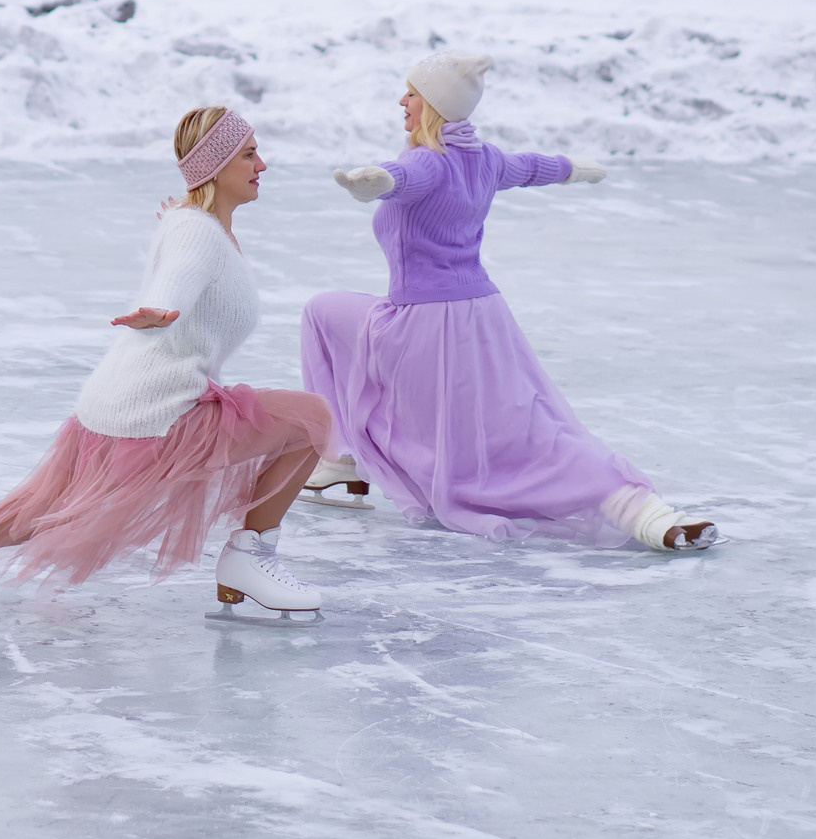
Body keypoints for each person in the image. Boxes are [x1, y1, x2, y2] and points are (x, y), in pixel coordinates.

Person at [0, 106, 335, 623]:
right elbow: (174, 284)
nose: (261, 165)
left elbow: (183, 251)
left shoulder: (194, 222)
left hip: (119, 403)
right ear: (216, 168)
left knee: (24, 517)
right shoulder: (196, 233)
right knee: (310, 419)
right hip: (157, 414)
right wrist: (161, 314)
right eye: (249, 154)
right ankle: (249, 559)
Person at [299, 53, 719, 551]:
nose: (402, 100)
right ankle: (649, 515)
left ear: (433, 104)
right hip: (483, 317)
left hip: (425, 325)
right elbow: (529, 167)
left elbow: (406, 177)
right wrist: (572, 169)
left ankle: (338, 459)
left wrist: (378, 181)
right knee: (531, 426)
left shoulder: (426, 161)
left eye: (412, 92)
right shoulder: (483, 157)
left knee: (320, 312)